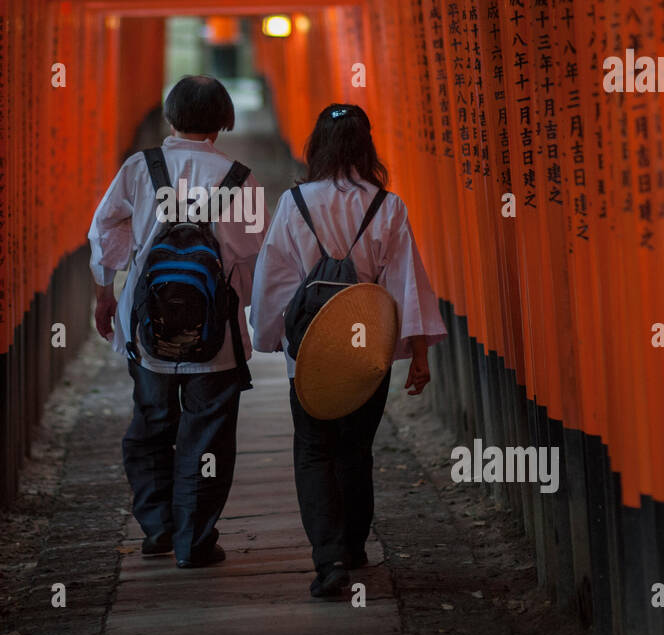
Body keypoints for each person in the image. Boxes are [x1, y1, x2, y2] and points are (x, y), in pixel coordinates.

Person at [251, 103, 447, 597]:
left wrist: (270, 338)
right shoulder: (388, 206)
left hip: (312, 349)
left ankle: (329, 556)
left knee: (314, 450)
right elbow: (406, 285)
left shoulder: (294, 203)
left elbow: (274, 279)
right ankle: (355, 546)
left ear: (316, 146)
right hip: (367, 351)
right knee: (356, 450)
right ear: (367, 146)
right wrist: (418, 354)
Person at [88, 75, 267, 569]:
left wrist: (106, 291)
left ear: (170, 116)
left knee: (150, 425)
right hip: (217, 339)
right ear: (223, 122)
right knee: (207, 437)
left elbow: (105, 230)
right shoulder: (240, 177)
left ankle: (157, 528)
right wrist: (240, 311)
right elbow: (252, 258)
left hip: (147, 332)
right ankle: (195, 539)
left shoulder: (140, 168)